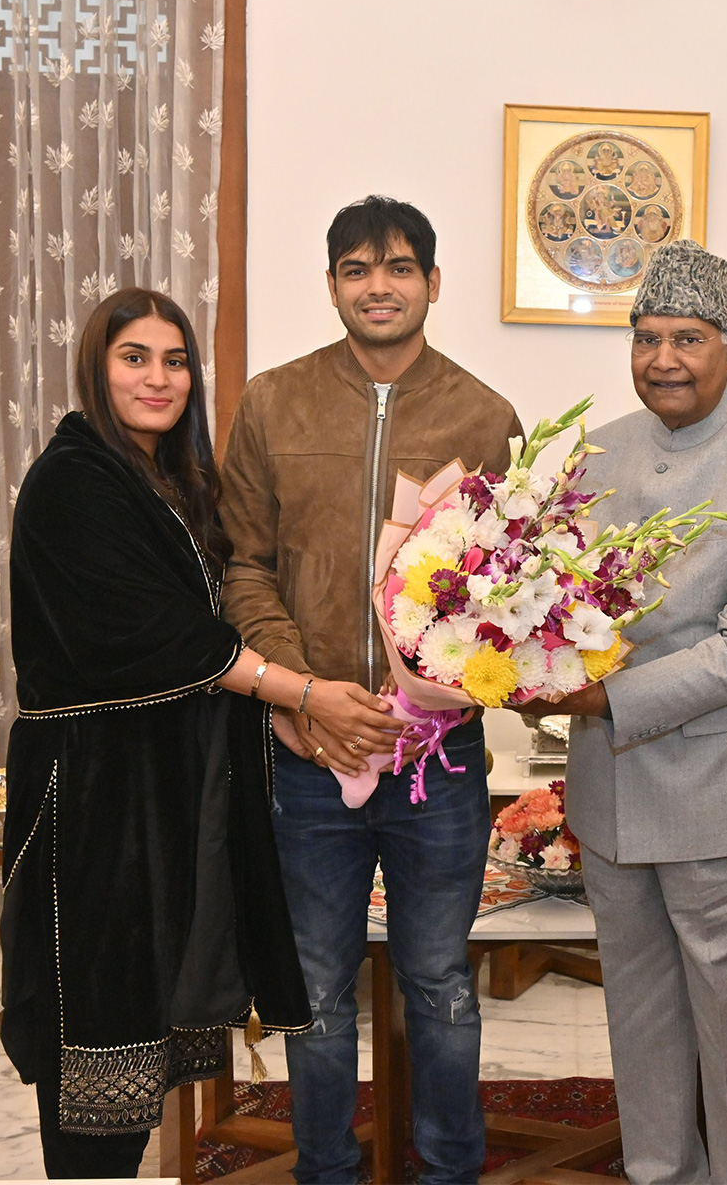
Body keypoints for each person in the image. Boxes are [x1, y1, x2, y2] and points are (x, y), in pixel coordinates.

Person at [1, 289, 382, 1176]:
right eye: (135, 357)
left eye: (175, 361)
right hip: (96, 798)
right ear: (98, 366)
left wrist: (284, 710)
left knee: (150, 1029)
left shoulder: (170, 480)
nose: (158, 378)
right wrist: (303, 692)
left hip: (167, 784)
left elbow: (221, 608)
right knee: (97, 1039)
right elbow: (160, 634)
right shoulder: (73, 479)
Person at [220, 197, 523, 1185]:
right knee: (313, 988)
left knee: (439, 983)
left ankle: (449, 1174)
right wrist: (303, 696)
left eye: (398, 268)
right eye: (356, 269)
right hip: (312, 754)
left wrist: (448, 689)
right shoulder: (273, 404)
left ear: (433, 284)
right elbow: (242, 565)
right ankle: (324, 1173)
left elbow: (511, 593)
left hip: (439, 757)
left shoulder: (484, 417)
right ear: (333, 285)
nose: (378, 285)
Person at [517, 240, 727, 1184]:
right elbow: (546, 604)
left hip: (720, 803)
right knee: (640, 1025)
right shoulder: (593, 453)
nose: (664, 360)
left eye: (687, 339)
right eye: (647, 338)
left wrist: (599, 696)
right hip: (609, 797)